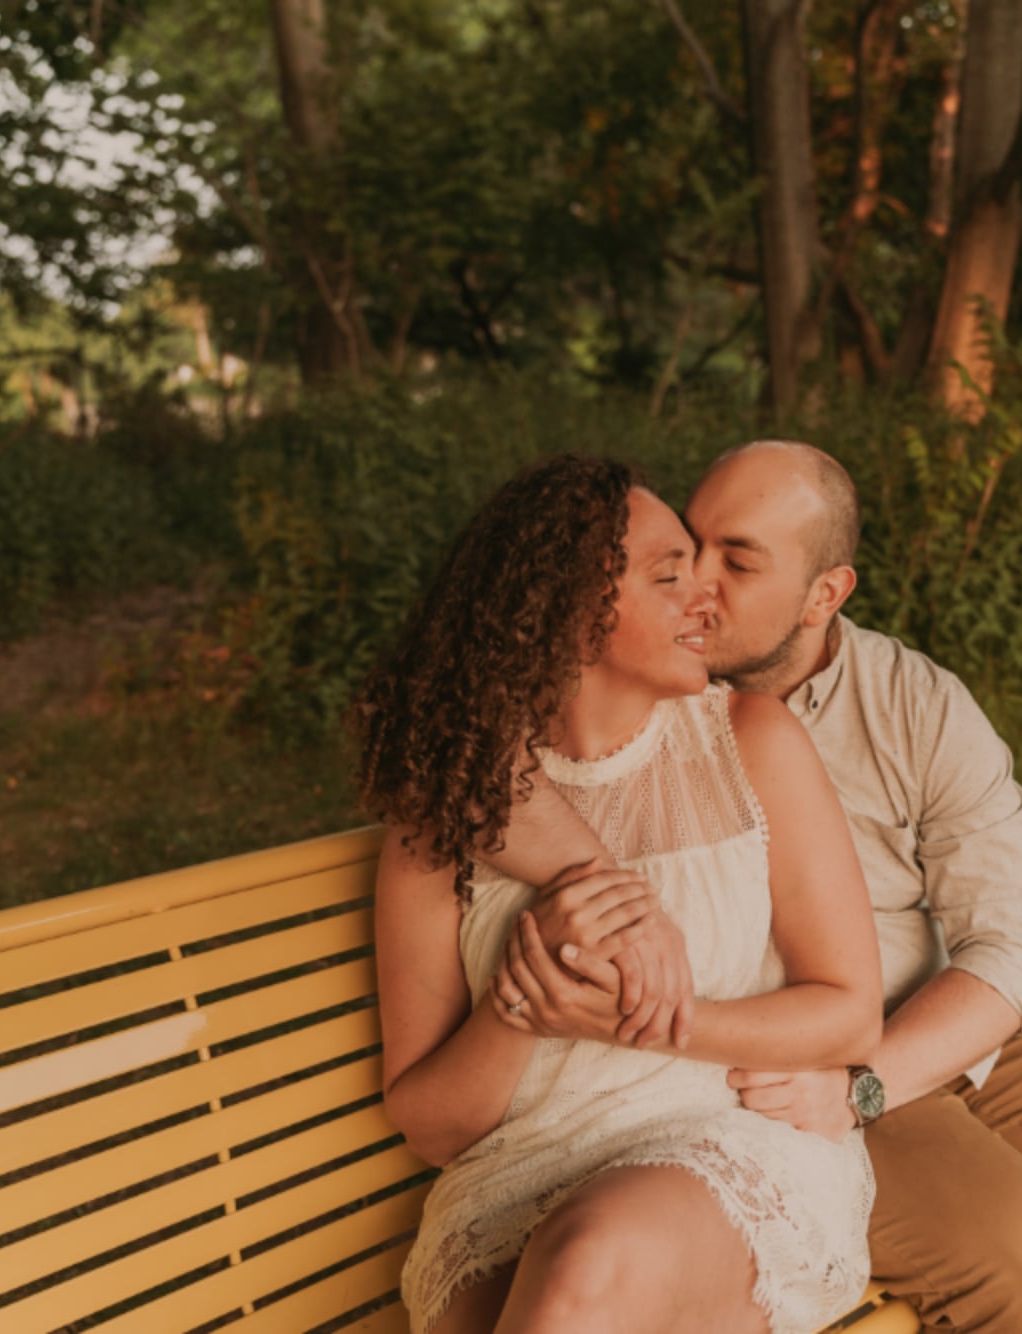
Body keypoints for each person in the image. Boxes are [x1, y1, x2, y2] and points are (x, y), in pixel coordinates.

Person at [496, 441, 1022, 1333]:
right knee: (1018, 1250)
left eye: (739, 560)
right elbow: (474, 749)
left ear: (825, 594)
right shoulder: (638, 677)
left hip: (925, 1016)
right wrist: (591, 869)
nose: (699, 585)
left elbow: (1015, 937)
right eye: (688, 550)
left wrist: (869, 1082)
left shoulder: (912, 700)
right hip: (772, 1057)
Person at [356, 454, 884, 1334]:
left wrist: (640, 1020)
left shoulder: (750, 742)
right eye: (669, 575)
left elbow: (848, 1015)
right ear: (567, 607)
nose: (704, 597)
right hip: (515, 1181)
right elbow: (433, 1129)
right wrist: (519, 1012)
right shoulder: (447, 802)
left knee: (588, 1269)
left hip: (718, 1148)